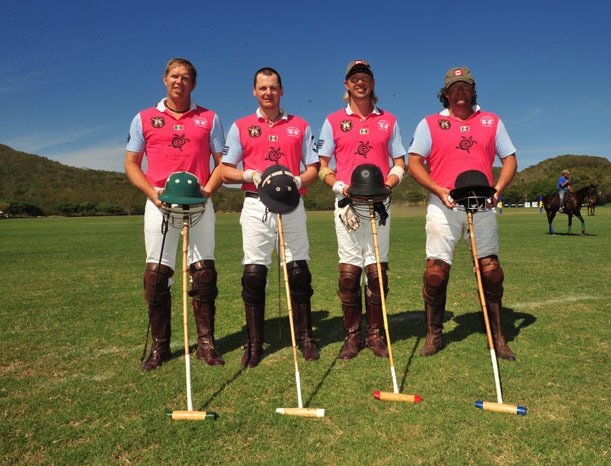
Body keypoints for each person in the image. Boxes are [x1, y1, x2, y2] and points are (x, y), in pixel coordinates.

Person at [407, 66, 518, 361]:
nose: (460, 92)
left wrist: (498, 189)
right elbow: (414, 162)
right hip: (444, 204)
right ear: (445, 93)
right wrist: (437, 188)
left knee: (491, 271)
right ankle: (434, 334)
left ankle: (497, 336)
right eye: (454, 87)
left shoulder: (491, 121)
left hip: (482, 205)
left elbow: (509, 159)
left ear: (473, 90)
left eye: (465, 86)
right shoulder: (430, 123)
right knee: (435, 273)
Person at [125, 58, 226, 372]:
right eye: (174, 76)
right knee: (156, 276)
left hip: (199, 204)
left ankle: (206, 344)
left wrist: (207, 190)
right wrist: (152, 193)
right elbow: (131, 163)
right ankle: (160, 346)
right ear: (165, 79)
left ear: (193, 84)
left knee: (204, 273)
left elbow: (223, 163)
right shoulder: (144, 118)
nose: (179, 81)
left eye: (185, 77)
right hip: (160, 203)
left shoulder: (209, 118)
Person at [221, 67, 319, 368]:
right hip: (255, 205)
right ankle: (254, 342)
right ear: (254, 91)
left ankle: (305, 337)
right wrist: (249, 174)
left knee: (298, 271)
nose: (268, 93)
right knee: (254, 274)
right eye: (263, 88)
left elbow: (313, 168)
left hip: (292, 204)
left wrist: (297, 181)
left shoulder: (300, 125)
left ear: (281, 91)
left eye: (273, 88)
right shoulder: (241, 126)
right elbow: (225, 171)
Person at [317, 60, 407, 360]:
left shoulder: (388, 120)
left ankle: (375, 334)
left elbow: (399, 162)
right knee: (349, 272)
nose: (360, 82)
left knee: (377, 271)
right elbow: (323, 166)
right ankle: (352, 335)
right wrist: (340, 187)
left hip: (379, 204)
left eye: (365, 78)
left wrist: (389, 184)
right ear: (346, 84)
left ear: (372, 83)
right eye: (354, 78)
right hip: (348, 205)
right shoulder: (333, 121)